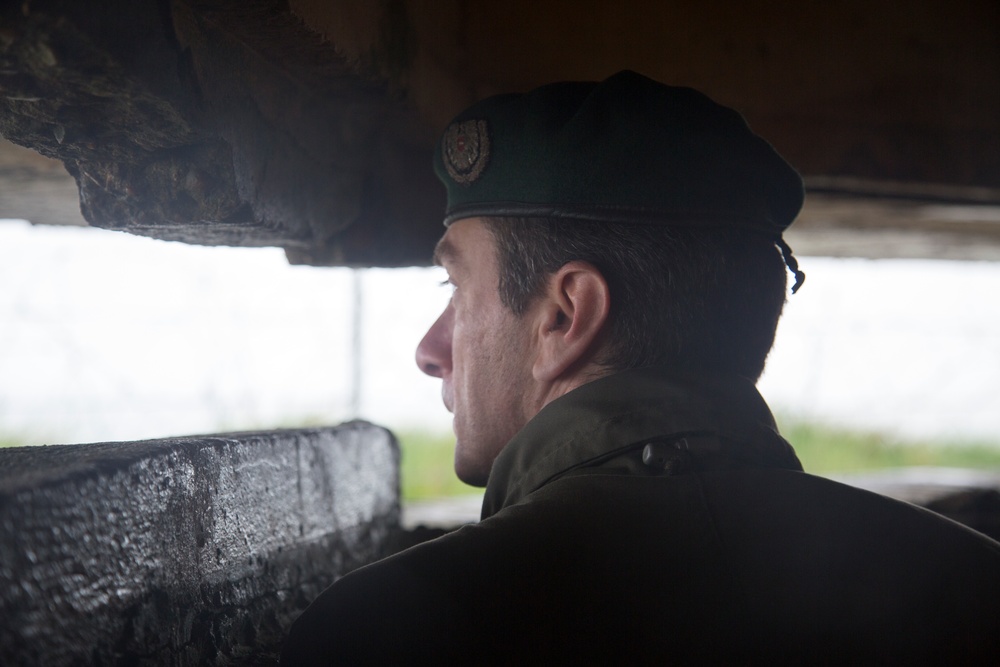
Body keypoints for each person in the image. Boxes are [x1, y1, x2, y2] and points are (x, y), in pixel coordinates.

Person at [282, 71, 1000, 665]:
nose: (430, 349)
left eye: (456, 289)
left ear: (565, 316)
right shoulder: (974, 588)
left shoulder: (384, 631)